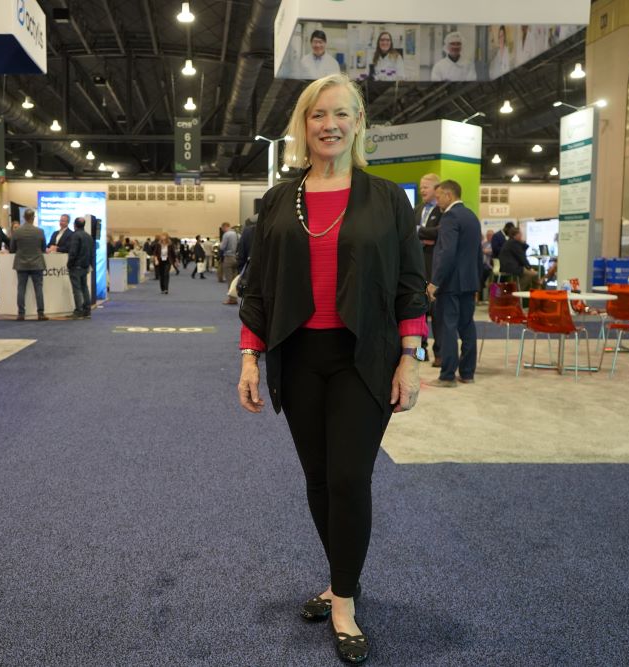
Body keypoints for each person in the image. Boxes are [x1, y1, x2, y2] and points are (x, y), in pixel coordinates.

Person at [237, 73, 428, 665]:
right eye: (319, 115)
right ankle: (342, 575)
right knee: (318, 480)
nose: (330, 125)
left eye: (342, 114)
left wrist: (410, 356)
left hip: (362, 358)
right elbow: (259, 288)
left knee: (349, 478)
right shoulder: (278, 199)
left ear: (358, 124)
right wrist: (249, 355)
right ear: (303, 124)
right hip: (297, 357)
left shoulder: (387, 198)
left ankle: (342, 599)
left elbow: (409, 284)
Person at [426, 180, 483, 387]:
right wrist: (478, 281)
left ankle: (447, 376)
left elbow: (446, 253)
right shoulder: (471, 217)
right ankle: (467, 373)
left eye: (439, 195)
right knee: (467, 326)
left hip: (451, 283)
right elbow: (477, 254)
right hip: (469, 282)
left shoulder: (450, 217)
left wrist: (435, 281)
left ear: (449, 196)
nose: (436, 199)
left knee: (448, 327)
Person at [415, 173, 442, 364]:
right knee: (418, 313)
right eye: (421, 186)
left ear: (437, 189)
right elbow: (409, 232)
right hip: (417, 267)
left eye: (426, 187)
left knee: (438, 315)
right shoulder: (417, 210)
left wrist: (419, 232)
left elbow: (439, 234)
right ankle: (420, 352)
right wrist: (426, 236)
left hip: (435, 268)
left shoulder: (443, 211)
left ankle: (439, 354)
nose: (422, 190)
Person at [9, 208, 48, 321]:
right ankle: (40, 313)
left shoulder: (17, 232)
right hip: (37, 263)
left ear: (24, 217)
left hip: (21, 264)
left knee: (21, 288)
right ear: (33, 218)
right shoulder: (39, 231)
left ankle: (21, 314)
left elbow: (12, 249)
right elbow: (43, 248)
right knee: (38, 289)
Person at [67, 217, 95, 319]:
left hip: (76, 266)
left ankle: (78, 310)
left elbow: (73, 252)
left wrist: (69, 264)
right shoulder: (89, 236)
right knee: (84, 288)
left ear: (75, 225)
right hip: (85, 266)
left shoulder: (75, 236)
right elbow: (92, 253)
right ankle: (87, 310)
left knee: (77, 289)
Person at [219, 223, 239, 298]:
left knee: (229, 279)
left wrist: (220, 245)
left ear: (224, 227)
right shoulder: (236, 234)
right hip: (235, 257)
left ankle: (232, 298)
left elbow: (222, 247)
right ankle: (235, 296)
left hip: (228, 257)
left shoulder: (226, 235)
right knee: (235, 280)